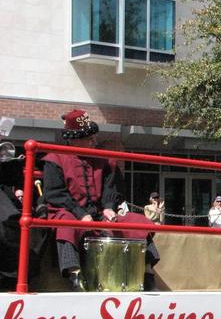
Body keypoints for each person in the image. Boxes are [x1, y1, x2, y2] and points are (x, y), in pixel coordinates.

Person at [42, 109, 160, 291]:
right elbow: (56, 194)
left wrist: (108, 207)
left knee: (138, 222)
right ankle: (75, 276)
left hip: (98, 214)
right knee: (66, 225)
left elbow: (110, 189)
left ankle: (146, 271)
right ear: (74, 139)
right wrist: (80, 214)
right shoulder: (55, 159)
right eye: (88, 138)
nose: (93, 141)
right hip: (69, 212)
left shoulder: (104, 161)